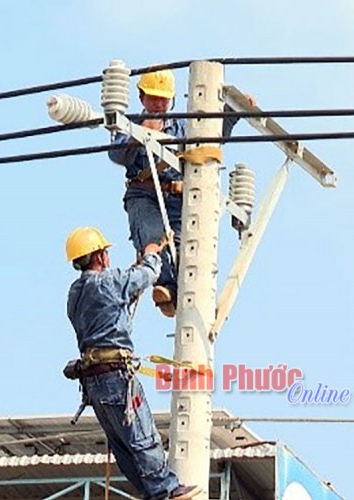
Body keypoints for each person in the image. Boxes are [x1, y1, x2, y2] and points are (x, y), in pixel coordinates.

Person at [65, 226, 200, 500]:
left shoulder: (75, 294)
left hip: (93, 383)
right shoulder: (108, 283)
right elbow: (148, 275)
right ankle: (166, 491)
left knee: (122, 445)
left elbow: (112, 299)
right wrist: (151, 254)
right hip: (115, 377)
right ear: (100, 256)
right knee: (141, 436)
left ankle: (151, 493)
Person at [108, 70, 252, 317]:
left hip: (179, 200)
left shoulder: (184, 125)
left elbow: (211, 140)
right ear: (141, 97)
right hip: (144, 196)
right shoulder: (130, 123)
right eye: (153, 98)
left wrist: (234, 113)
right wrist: (140, 135)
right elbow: (117, 155)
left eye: (163, 99)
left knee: (187, 251)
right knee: (153, 239)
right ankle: (165, 288)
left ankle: (173, 292)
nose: (159, 104)